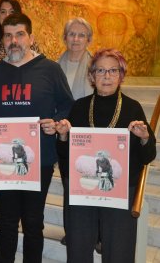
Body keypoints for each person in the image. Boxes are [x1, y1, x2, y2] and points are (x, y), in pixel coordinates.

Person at [0, 14, 74, 263]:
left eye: (20, 34)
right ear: (3, 40)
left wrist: (58, 123)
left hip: (39, 159)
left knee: (33, 222)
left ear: (30, 37)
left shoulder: (50, 69)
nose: (14, 41)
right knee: (7, 222)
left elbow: (67, 106)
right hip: (5, 161)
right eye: (8, 35)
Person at [55, 48, 157, 263]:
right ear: (92, 76)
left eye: (113, 70)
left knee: (118, 253)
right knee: (78, 251)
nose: (107, 76)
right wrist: (63, 137)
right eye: (101, 70)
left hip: (120, 192)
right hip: (83, 191)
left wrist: (144, 137)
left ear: (121, 75)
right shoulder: (80, 107)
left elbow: (148, 157)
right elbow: (66, 160)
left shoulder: (132, 108)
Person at [57, 17, 94, 246]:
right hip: (62, 134)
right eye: (72, 34)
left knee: (89, 184)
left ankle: (95, 233)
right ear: (65, 37)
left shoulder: (96, 65)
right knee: (68, 183)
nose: (76, 39)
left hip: (88, 134)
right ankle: (72, 231)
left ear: (88, 39)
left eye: (81, 35)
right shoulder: (54, 65)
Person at [0, 0, 40, 90]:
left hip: (25, 95)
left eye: (12, 11)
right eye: (3, 11)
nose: (7, 15)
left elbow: (38, 72)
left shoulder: (28, 43)